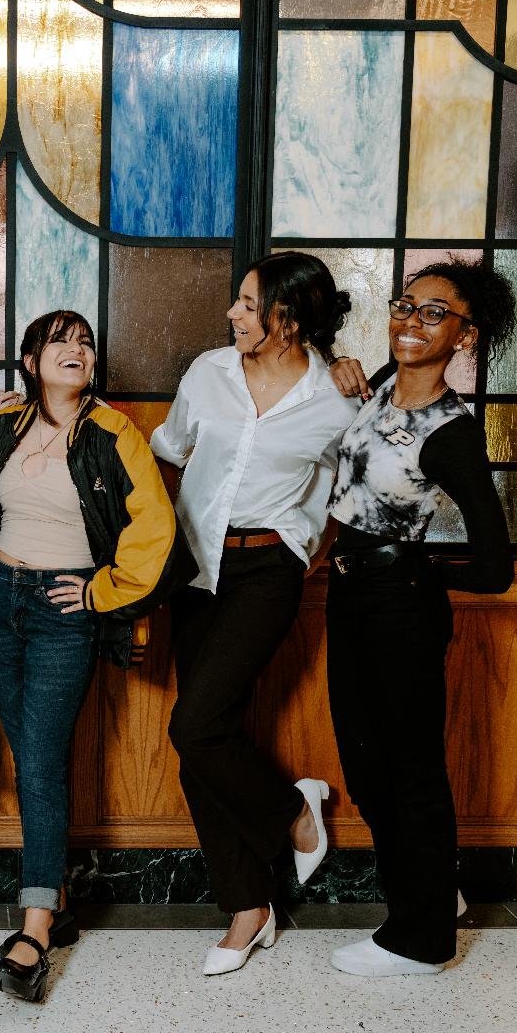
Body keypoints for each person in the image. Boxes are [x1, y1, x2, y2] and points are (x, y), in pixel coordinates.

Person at [149, 251, 360, 977]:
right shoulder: (209, 372)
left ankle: (294, 814)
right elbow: (169, 451)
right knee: (205, 737)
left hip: (269, 572)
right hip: (196, 569)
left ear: (288, 319)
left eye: (248, 303)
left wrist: (310, 549)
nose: (233, 314)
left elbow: (351, 487)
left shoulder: (337, 400)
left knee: (194, 725)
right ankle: (249, 905)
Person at [0, 311, 185, 1002]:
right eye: (59, 341)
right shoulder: (1, 426)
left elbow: (156, 527)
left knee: (37, 761)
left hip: (64, 610)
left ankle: (32, 929)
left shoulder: (114, 433)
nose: (76, 349)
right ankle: (56, 898)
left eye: (85, 342)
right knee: (32, 754)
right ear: (30, 361)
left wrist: (102, 590)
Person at [321, 258, 516, 976]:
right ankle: (436, 894)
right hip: (347, 595)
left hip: (398, 606)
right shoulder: (381, 382)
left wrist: (422, 571)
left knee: (408, 771)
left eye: (435, 313)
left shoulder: (452, 431)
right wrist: (338, 368)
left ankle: (422, 938)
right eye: (405, 305)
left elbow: (495, 567)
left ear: (465, 336)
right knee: (366, 766)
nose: (411, 320)